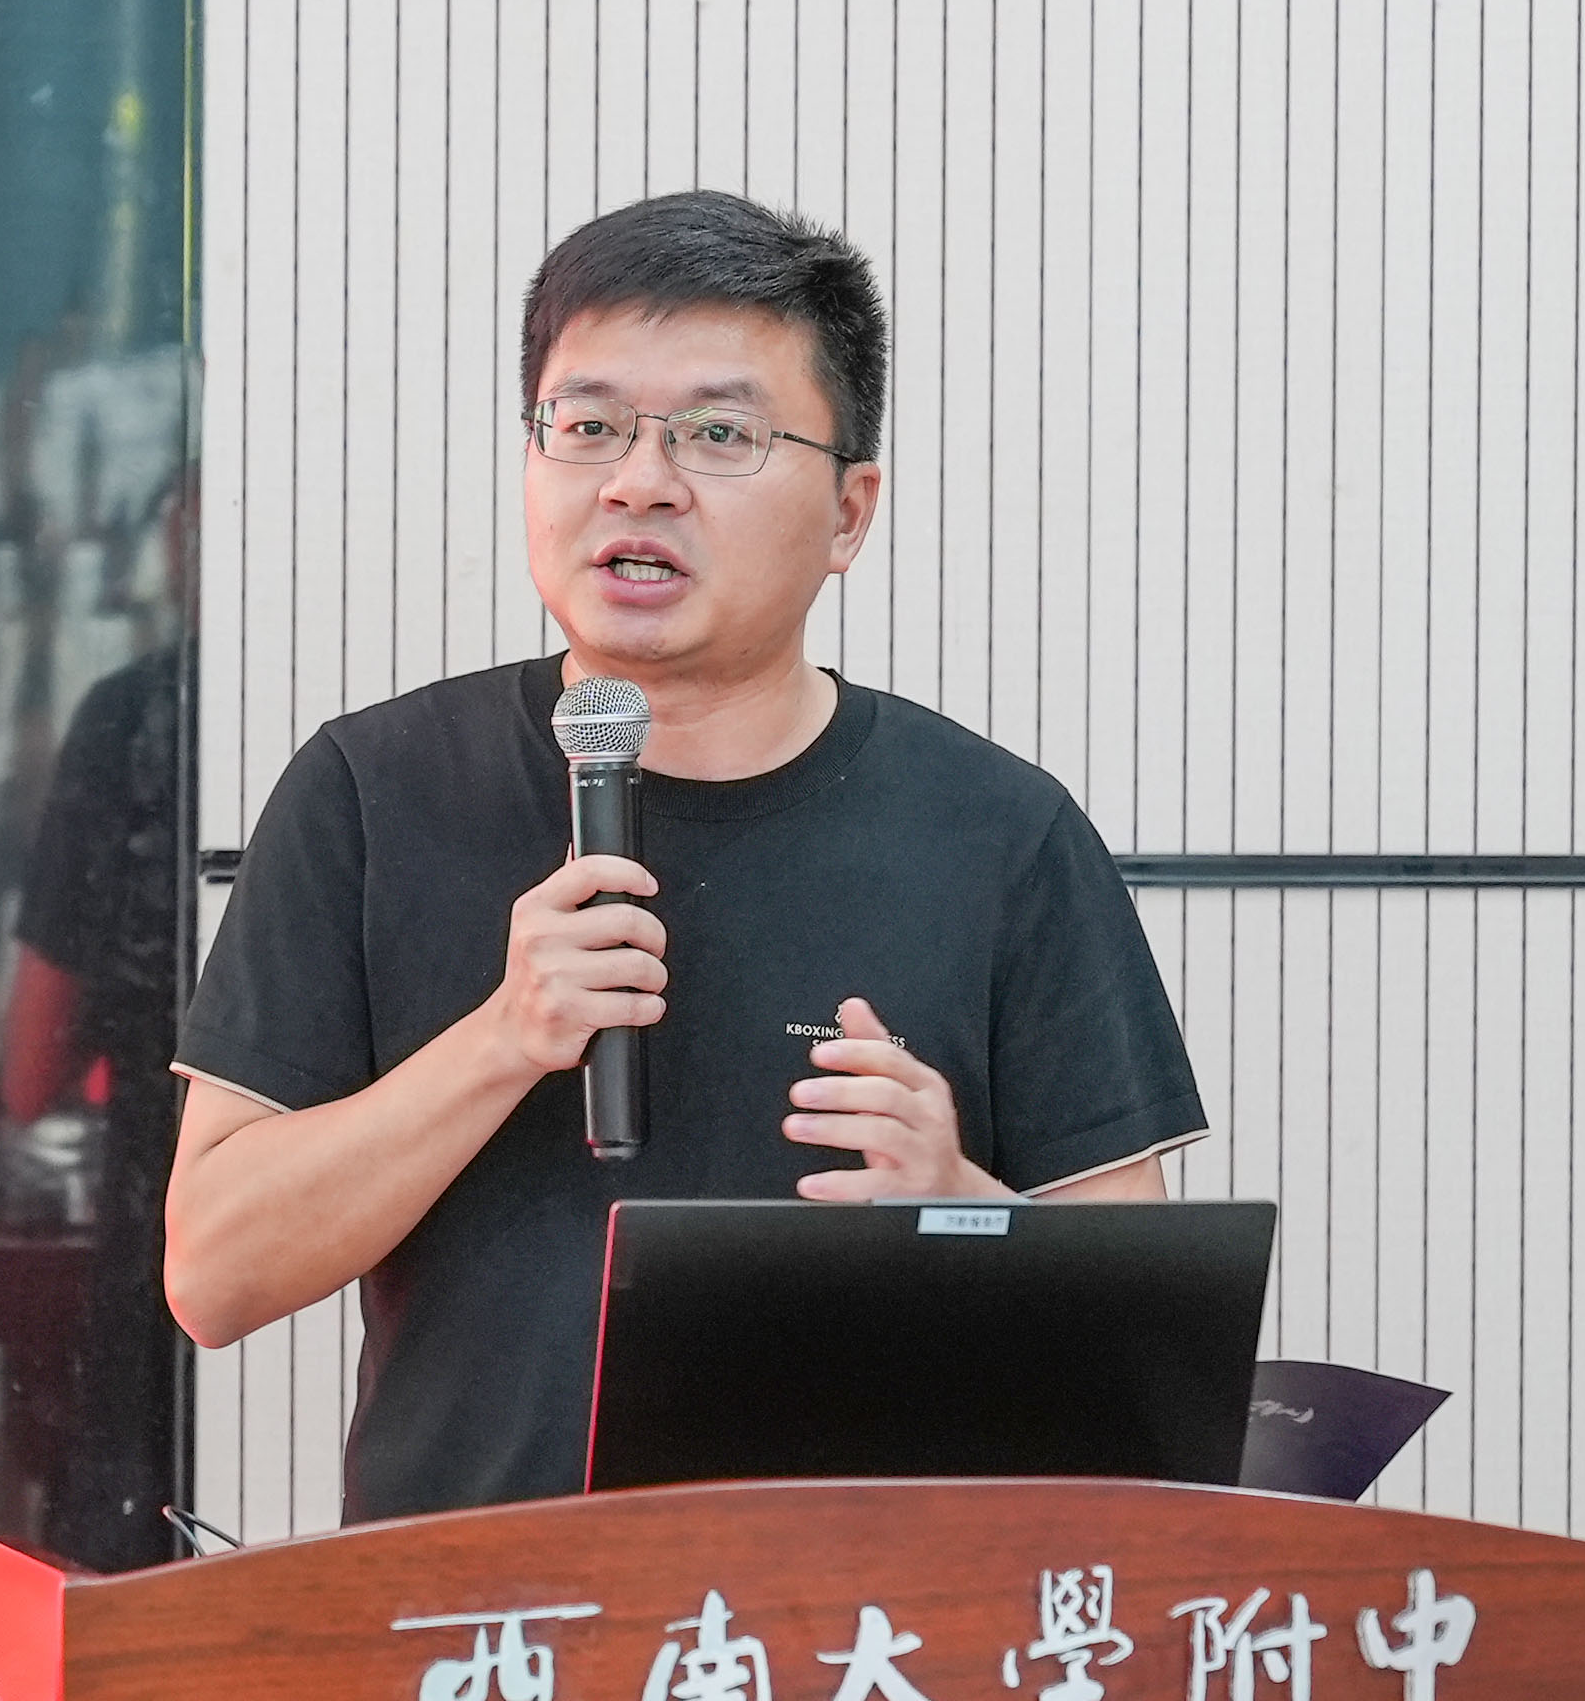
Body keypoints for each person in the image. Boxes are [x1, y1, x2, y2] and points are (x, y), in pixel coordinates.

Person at [163, 190, 1212, 1522]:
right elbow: (215, 1275)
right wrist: (502, 1039)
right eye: (588, 425)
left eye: (718, 433)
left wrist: (958, 1208)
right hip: (479, 1623)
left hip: (865, 1626)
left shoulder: (1002, 832)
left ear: (850, 512)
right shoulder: (374, 790)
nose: (638, 482)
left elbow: (1151, 1364)